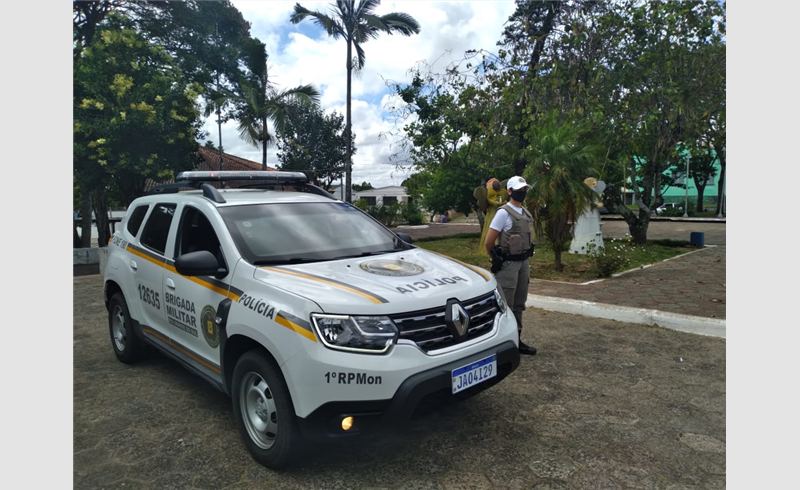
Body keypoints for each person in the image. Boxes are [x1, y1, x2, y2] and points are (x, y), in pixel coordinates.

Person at [484, 176, 537, 356]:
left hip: (523, 262)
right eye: (518, 189)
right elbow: (489, 242)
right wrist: (497, 259)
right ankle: (499, 344)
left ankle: (516, 340)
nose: (522, 192)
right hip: (508, 265)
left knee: (519, 304)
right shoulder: (503, 213)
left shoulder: (525, 213)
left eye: (524, 189)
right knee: (504, 304)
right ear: (509, 191)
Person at [568, 177, 605, 255]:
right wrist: (598, 204)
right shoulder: (585, 194)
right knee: (584, 228)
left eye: (595, 184)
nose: (595, 185)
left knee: (593, 228)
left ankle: (594, 247)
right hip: (586, 213)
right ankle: (581, 247)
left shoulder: (594, 193)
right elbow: (593, 203)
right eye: (593, 184)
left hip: (593, 214)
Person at [477, 178, 505, 256]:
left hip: (498, 211)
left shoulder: (499, 193)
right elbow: (490, 201)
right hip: (492, 213)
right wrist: (499, 204)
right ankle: (490, 247)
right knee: (492, 228)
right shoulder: (490, 193)